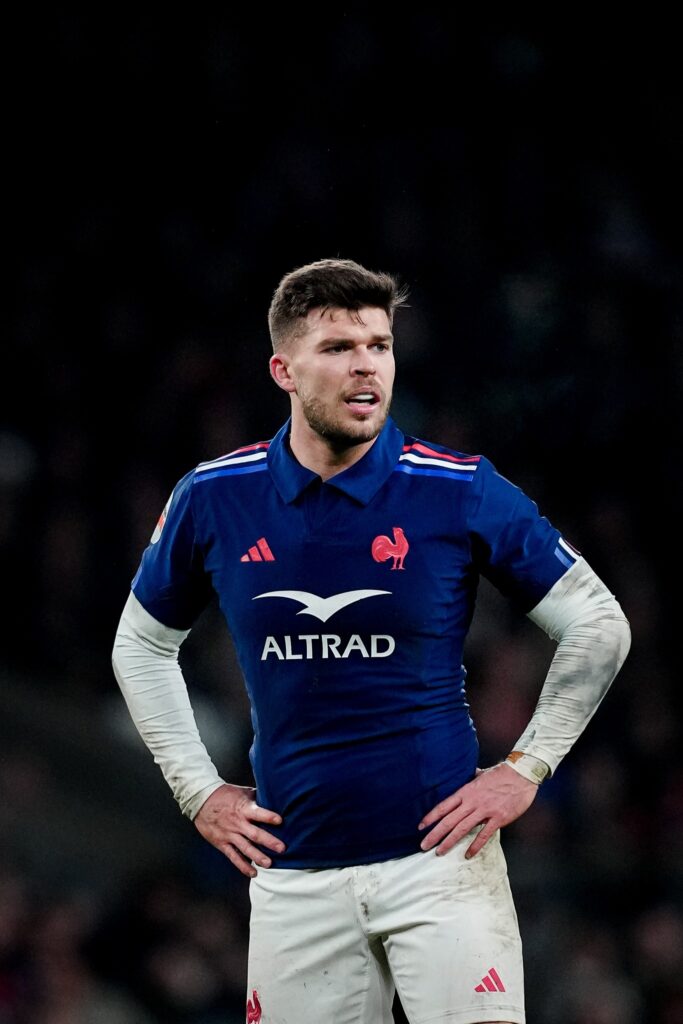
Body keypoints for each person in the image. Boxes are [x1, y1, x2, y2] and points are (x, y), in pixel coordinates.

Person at [112, 258, 631, 1024]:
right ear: (283, 371)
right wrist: (198, 789)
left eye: (378, 345)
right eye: (338, 348)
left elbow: (597, 624)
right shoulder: (214, 496)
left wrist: (526, 769)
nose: (366, 366)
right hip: (294, 878)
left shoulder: (457, 488)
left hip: (440, 870)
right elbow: (140, 645)